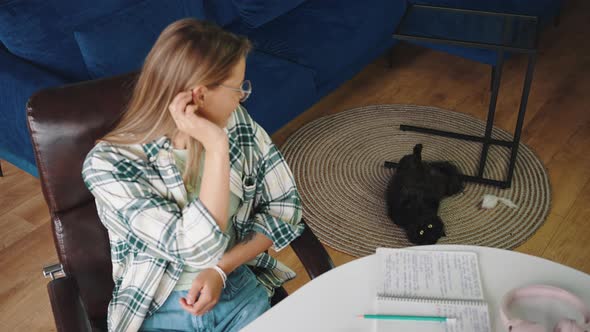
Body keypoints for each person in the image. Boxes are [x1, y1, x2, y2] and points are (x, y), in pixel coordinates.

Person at [82, 18, 304, 332]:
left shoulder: (236, 123)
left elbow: (286, 206)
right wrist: (216, 148)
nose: (242, 96)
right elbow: (199, 249)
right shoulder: (108, 166)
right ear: (198, 96)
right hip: (158, 306)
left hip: (236, 290)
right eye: (237, 87)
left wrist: (222, 269)